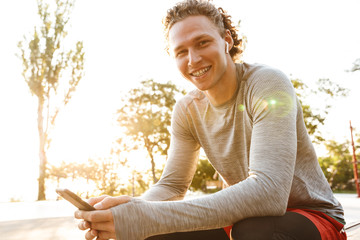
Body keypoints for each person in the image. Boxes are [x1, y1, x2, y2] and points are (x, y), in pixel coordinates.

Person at [75, 0, 347, 239]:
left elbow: (269, 192)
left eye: (202, 42)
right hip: (242, 219)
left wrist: (144, 217)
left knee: (253, 231)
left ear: (226, 40)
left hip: (312, 217)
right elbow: (171, 185)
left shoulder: (267, 83)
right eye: (181, 51)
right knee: (149, 233)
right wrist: (127, 211)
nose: (193, 59)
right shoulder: (187, 110)